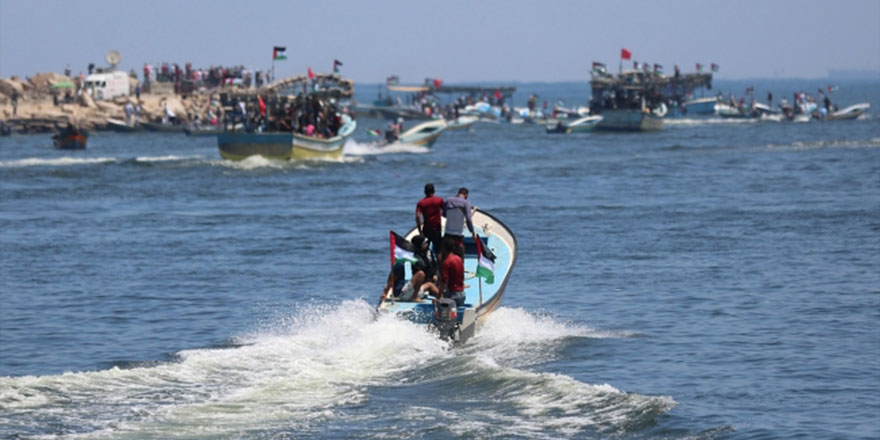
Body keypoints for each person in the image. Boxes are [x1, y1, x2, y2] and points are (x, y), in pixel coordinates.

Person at [442, 187, 476, 253]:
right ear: (466, 195)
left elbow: (444, 214)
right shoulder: (466, 203)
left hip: (448, 233)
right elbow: (468, 219)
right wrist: (472, 232)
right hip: (458, 235)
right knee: (459, 255)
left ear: (458, 193)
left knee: (446, 255)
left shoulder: (448, 200)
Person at [416, 183, 444, 253]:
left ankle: (426, 263)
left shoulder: (421, 203)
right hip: (437, 228)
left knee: (424, 249)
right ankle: (439, 263)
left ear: (424, 192)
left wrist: (420, 230)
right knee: (438, 250)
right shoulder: (439, 200)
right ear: (434, 191)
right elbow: (446, 211)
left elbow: (417, 216)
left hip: (426, 228)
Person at [440, 237, 466, 307]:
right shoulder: (459, 259)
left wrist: (439, 296)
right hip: (462, 294)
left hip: (452, 295)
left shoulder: (446, 262)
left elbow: (444, 280)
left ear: (443, 248)